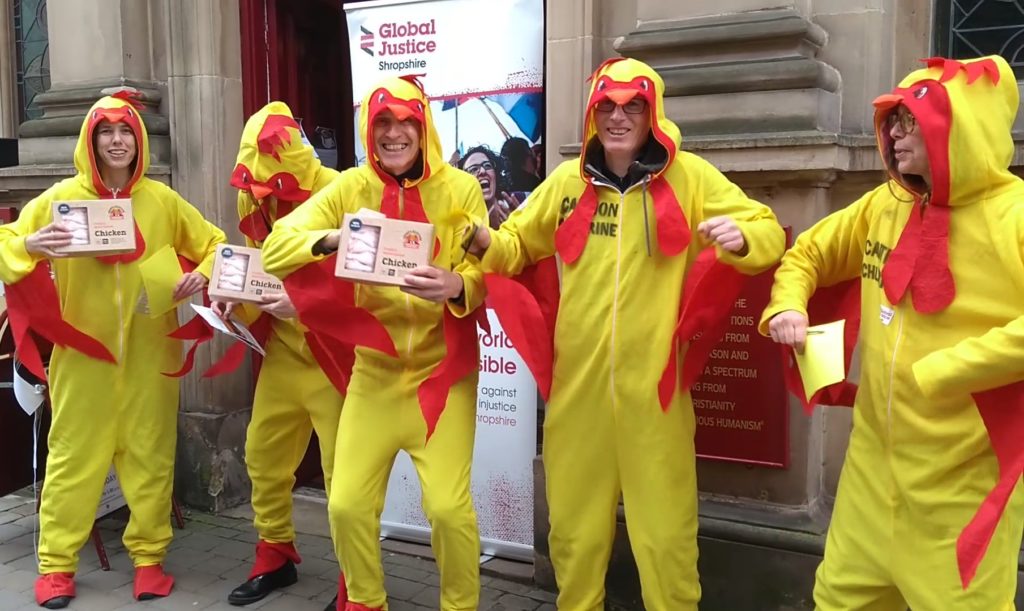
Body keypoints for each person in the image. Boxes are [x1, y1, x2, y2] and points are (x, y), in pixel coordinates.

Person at [469, 57, 785, 610]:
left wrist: (743, 237)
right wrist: (482, 240)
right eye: (607, 107)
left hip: (655, 398)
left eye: (632, 106)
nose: (618, 118)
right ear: (592, 113)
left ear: (652, 112)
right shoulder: (567, 183)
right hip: (577, 397)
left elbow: (767, 231)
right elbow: (517, 245)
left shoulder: (692, 178)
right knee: (573, 539)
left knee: (666, 541)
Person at [761, 55, 1024, 610]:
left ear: (958, 128)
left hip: (958, 496)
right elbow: (808, 253)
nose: (895, 133)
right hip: (867, 482)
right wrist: (789, 306)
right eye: (893, 120)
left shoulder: (1015, 216)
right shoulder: (886, 203)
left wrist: (948, 370)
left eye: (910, 121)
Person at [261, 75, 487, 611]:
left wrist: (458, 285)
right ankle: (365, 602)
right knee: (345, 507)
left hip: (441, 378)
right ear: (370, 129)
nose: (395, 133)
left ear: (423, 126)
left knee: (450, 512)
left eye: (407, 121)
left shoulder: (460, 189)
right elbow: (276, 247)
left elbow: (486, 272)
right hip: (374, 376)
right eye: (383, 122)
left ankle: (461, 605)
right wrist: (338, 237)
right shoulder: (348, 189)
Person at [0, 92, 225, 609]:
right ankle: (56, 567)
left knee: (150, 461)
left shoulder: (163, 201)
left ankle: (149, 561)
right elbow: (8, 243)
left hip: (152, 359)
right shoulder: (60, 198)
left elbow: (214, 244)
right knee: (73, 461)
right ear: (91, 140)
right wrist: (32, 246)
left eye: (127, 132)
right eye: (107, 132)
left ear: (139, 140)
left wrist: (202, 275)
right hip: (83, 359)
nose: (118, 141)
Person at [210, 102, 345, 606]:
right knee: (263, 455)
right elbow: (259, 269)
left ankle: (357, 578)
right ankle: (274, 555)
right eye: (256, 190)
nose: (262, 201)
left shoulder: (343, 191)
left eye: (272, 190)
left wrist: (307, 302)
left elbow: (369, 282)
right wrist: (231, 296)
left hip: (337, 354)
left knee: (345, 477)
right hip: (287, 354)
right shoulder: (254, 204)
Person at [458, 145, 519, 228]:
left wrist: (520, 228)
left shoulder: (521, 201)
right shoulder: (462, 225)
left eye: (487, 165)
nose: (483, 171)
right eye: (473, 169)